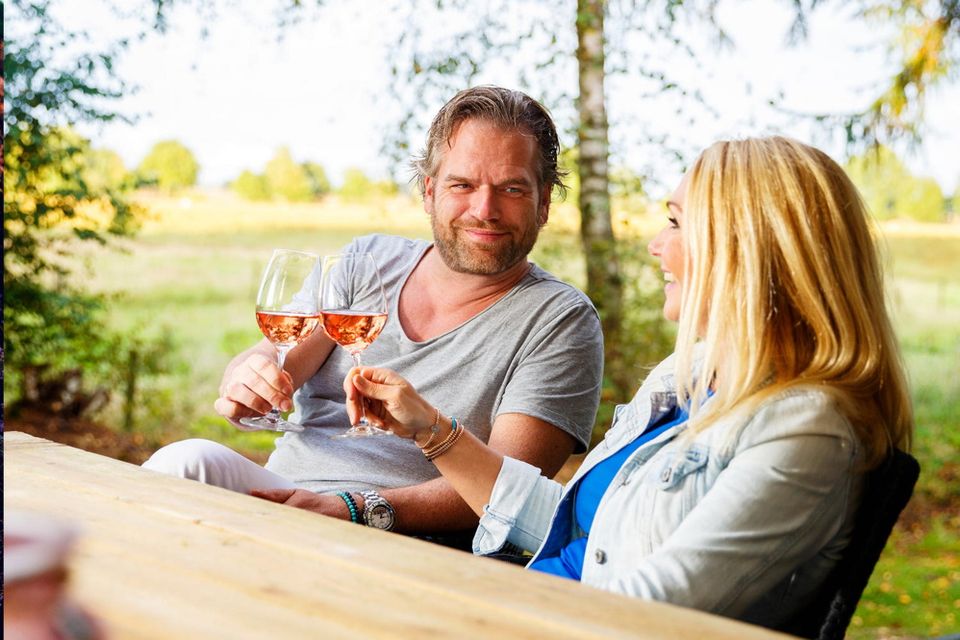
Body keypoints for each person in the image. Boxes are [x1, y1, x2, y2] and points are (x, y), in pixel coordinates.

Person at [340, 136, 914, 627]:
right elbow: (577, 527)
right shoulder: (692, 377)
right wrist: (431, 430)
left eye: (676, 223)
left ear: (750, 250)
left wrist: (468, 610)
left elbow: (649, 611)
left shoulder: (805, 430)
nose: (656, 245)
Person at [142, 86, 604, 543]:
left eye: (511, 189)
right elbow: (273, 359)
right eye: (462, 185)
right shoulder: (368, 261)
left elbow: (509, 494)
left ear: (544, 203)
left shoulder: (560, 320)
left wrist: (355, 509)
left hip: (403, 538)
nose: (484, 210)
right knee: (184, 463)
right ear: (429, 192)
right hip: (285, 500)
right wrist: (247, 382)